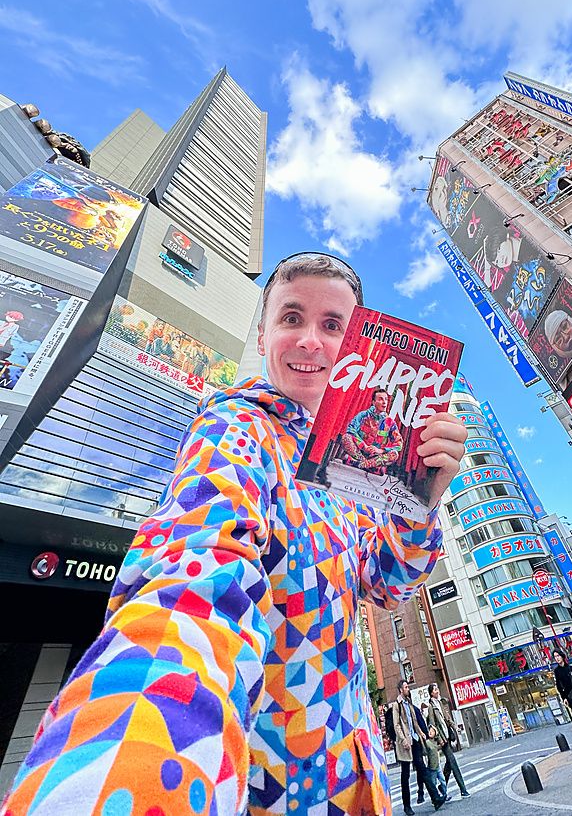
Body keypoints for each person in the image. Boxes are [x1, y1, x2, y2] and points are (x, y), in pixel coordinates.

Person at [3, 252, 467, 814]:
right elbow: (196, 571)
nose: (310, 342)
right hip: (263, 792)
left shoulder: (351, 463)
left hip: (355, 780)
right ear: (264, 331)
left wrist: (421, 502)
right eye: (291, 318)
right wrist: (136, 757)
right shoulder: (235, 427)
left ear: (357, 346)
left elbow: (385, 585)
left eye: (332, 325)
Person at [390, 681, 445, 815]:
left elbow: (415, 723)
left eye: (408, 687)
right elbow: (396, 724)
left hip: (415, 741)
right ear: (400, 690)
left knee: (423, 769)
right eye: (406, 687)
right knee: (405, 775)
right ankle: (407, 806)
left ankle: (436, 798)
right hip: (405, 744)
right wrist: (403, 739)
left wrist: (422, 735)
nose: (408, 689)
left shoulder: (409, 704)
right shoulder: (397, 705)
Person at [341, 388, 403, 474]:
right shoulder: (363, 415)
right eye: (380, 399)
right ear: (373, 402)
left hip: (375, 456)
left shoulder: (390, 422)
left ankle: (358, 464)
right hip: (359, 451)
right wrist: (364, 446)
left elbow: (399, 444)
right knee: (346, 437)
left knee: (394, 454)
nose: (384, 402)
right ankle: (370, 466)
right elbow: (351, 429)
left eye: (386, 399)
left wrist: (380, 450)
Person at [426, 682, 470, 797]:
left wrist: (455, 727)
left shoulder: (440, 703)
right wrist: (439, 738)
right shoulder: (431, 707)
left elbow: (447, 719)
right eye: (435, 690)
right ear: (431, 693)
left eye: (437, 689)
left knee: (449, 763)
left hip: (448, 736)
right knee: (453, 762)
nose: (437, 691)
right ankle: (463, 789)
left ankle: (442, 785)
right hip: (442, 739)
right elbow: (432, 725)